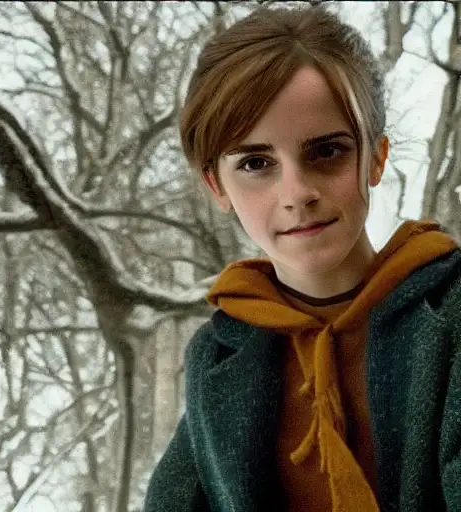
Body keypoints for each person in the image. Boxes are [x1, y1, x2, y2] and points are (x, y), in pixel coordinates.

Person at [144, 4, 461, 512]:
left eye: (326, 151)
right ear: (216, 184)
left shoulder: (450, 318)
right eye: (256, 163)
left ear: (375, 158)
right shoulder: (221, 352)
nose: (296, 194)